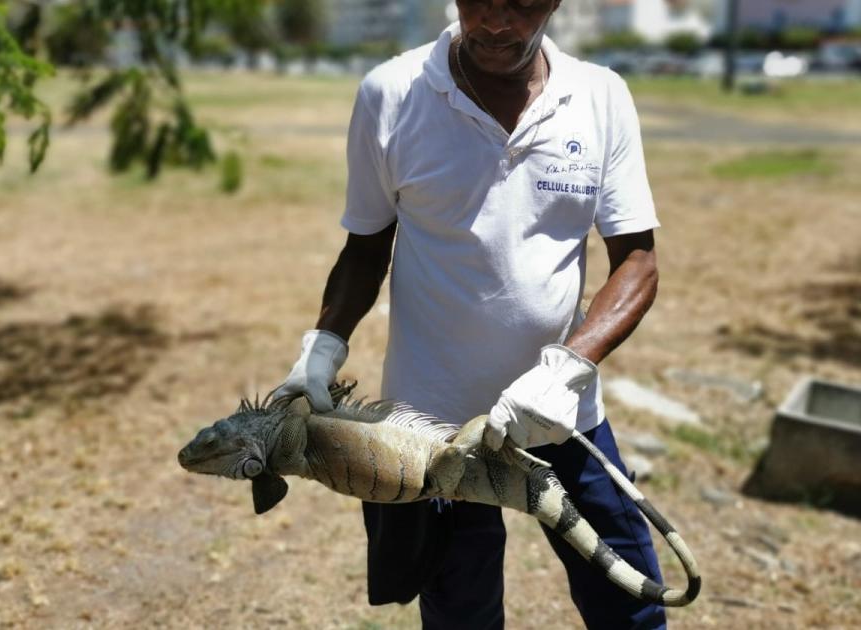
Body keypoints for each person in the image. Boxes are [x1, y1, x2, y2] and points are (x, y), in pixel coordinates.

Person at [274, 0, 666, 627]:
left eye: (520, 4)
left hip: (560, 416)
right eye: (478, 0)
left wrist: (566, 372)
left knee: (630, 606)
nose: (495, 22)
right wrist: (322, 349)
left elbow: (637, 263)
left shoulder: (600, 96)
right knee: (461, 614)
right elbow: (367, 243)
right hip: (430, 431)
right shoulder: (393, 93)